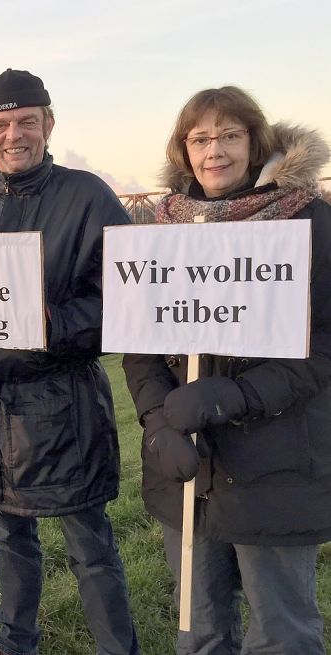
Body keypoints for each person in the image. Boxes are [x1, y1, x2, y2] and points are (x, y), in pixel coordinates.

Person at [0, 69, 140, 655]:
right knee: (8, 537)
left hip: (63, 407)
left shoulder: (88, 197)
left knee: (89, 544)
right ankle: (15, 641)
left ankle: (118, 647)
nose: (13, 135)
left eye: (25, 122)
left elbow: (129, 298)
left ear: (49, 124)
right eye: (0, 125)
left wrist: (54, 326)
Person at [123, 86, 331, 654]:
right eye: (200, 139)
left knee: (281, 633)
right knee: (199, 629)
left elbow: (324, 346)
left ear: (255, 141)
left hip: (276, 466)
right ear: (183, 150)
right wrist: (156, 421)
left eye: (229, 136)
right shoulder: (162, 229)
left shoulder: (309, 221)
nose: (214, 151)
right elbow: (138, 343)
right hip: (187, 472)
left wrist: (233, 396)